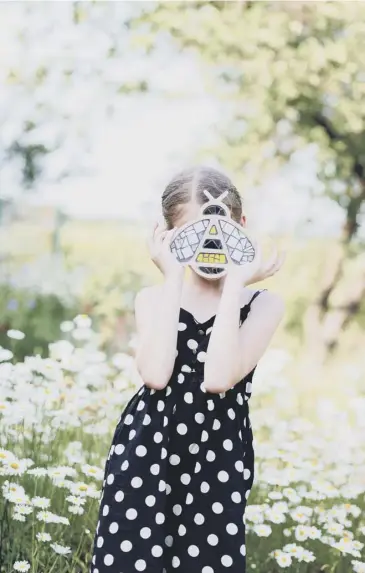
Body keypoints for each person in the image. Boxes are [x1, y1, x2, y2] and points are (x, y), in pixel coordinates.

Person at [89, 165, 286, 573]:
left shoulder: (261, 305)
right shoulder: (152, 298)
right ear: (168, 236)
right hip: (147, 455)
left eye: (219, 233)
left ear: (241, 227)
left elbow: (218, 379)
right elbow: (156, 375)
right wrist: (172, 274)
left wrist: (236, 282)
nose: (208, 247)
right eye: (192, 237)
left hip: (217, 458)